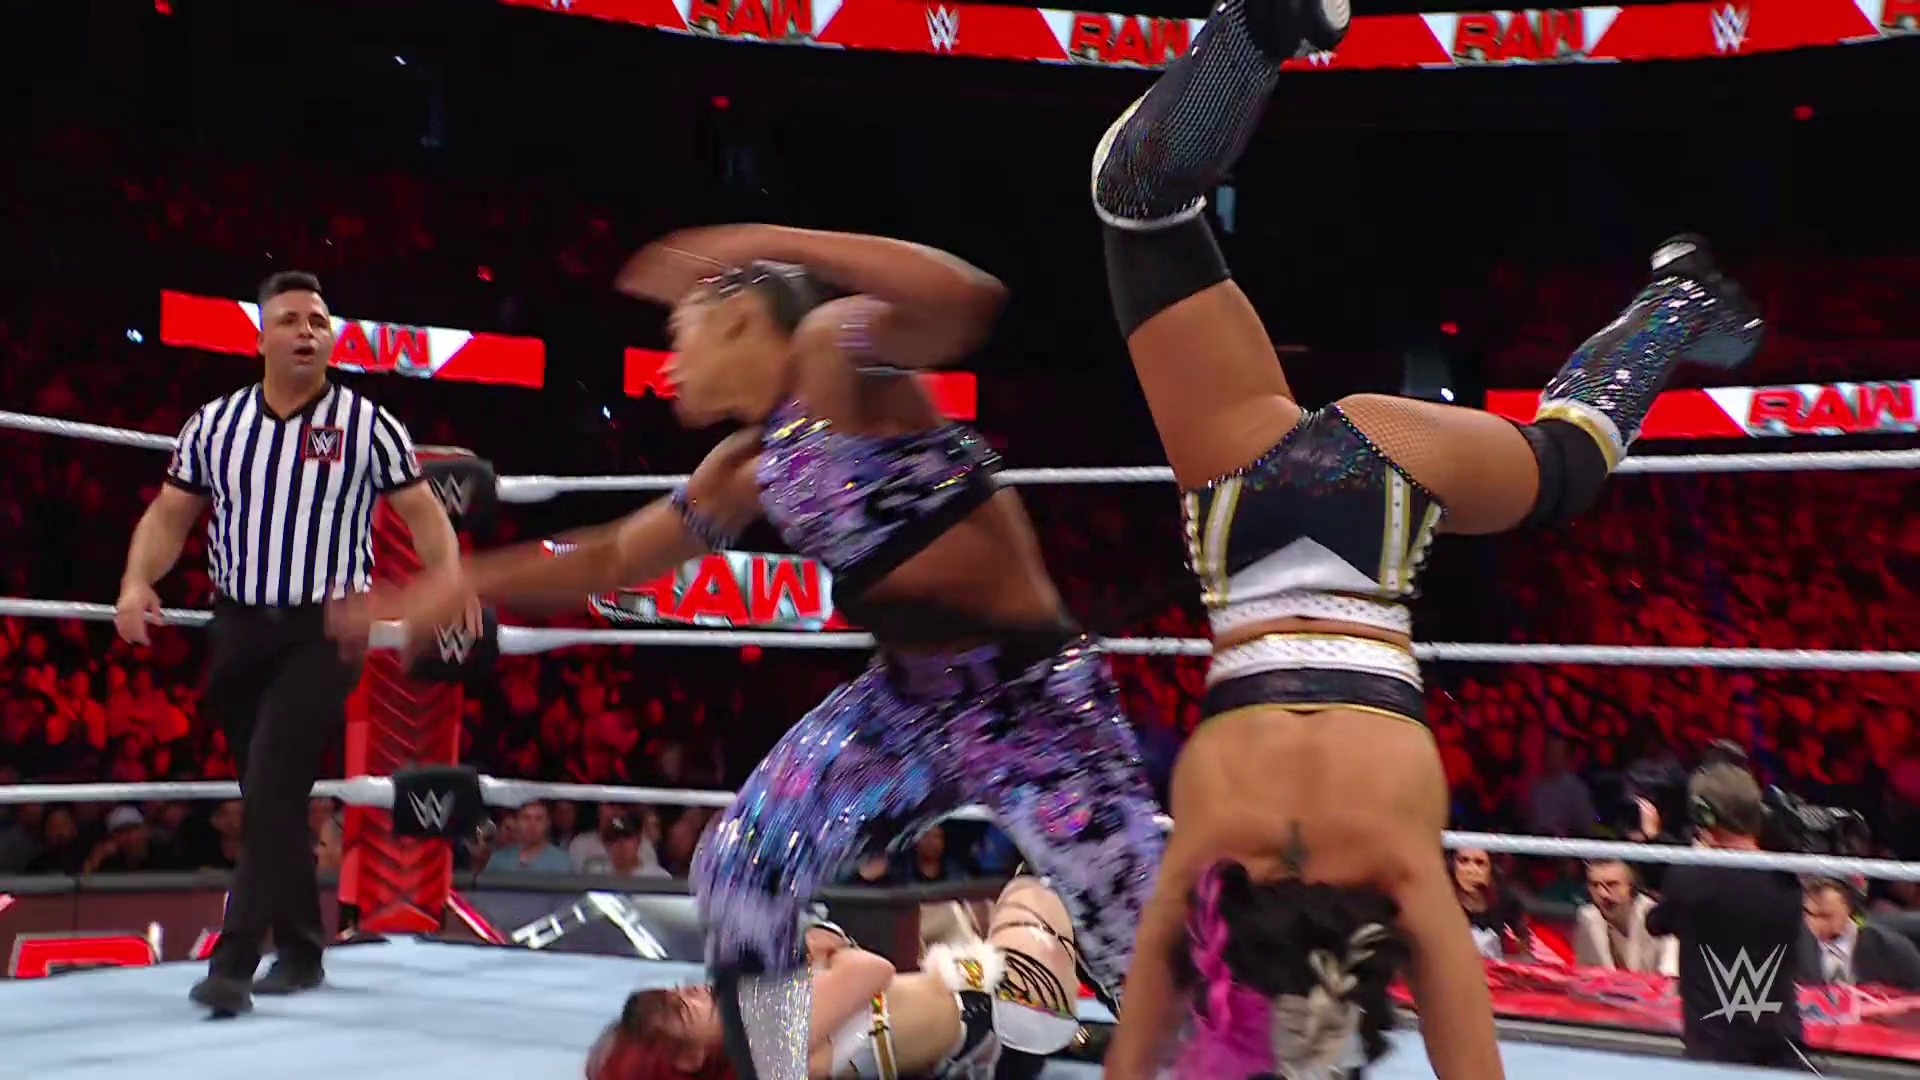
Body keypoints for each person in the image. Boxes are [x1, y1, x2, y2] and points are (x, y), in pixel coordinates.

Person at [1083, 0, 1765, 1074]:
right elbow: (1143, 1032)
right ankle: (1258, 29)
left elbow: (1467, 1057)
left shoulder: (1397, 863)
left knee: (1565, 463)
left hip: (1377, 490)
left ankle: (1681, 298)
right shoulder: (1211, 851)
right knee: (1137, 202)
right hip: (1242, 503)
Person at [331, 226, 1165, 1080]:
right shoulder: (746, 465)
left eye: (679, 333)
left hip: (1030, 697)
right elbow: (613, 558)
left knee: (1143, 949)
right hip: (908, 702)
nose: (669, 365)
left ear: (736, 315)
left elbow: (965, 299)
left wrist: (763, 240)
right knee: (741, 869)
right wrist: (455, 585)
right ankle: (771, 1067)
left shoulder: (834, 354)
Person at [114, 270, 477, 1016]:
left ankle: (233, 962)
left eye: (318, 319)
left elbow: (423, 514)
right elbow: (170, 515)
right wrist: (136, 581)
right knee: (268, 794)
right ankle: (305, 949)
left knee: (275, 777)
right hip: (238, 625)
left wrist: (450, 582)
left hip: (326, 629)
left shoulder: (369, 424)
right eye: (289, 319)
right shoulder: (213, 425)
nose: (307, 331)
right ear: (262, 337)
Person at [588, 878, 1084, 1080]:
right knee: (1038, 890)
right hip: (1006, 1011)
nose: (695, 991)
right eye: (682, 1007)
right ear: (688, 1058)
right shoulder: (765, 1039)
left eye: (679, 989)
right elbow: (872, 969)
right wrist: (831, 948)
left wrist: (823, 951)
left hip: (979, 1022)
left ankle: (1084, 1031)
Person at [1644, 764, 1809, 1067]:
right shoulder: (1787, 880)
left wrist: (1657, 841)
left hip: (1715, 1056)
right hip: (1779, 1050)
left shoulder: (1691, 880)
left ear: (1704, 817)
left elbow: (1656, 923)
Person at [1799, 878, 1920, 991]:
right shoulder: (1795, 948)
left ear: (1849, 910)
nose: (1816, 923)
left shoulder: (1890, 949)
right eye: (1810, 914)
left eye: (1826, 916)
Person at [1571, 859, 1676, 975]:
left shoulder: (1659, 918)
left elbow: (1670, 976)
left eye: (1612, 885)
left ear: (1631, 887)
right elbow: (1582, 974)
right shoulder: (1588, 918)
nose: (1602, 893)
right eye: (1595, 885)